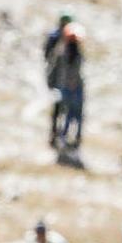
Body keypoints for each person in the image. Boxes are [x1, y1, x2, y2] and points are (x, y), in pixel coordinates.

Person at [45, 15, 85, 151]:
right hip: (69, 89)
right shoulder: (67, 52)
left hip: (64, 88)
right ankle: (67, 139)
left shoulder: (62, 52)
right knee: (71, 115)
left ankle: (65, 139)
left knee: (67, 114)